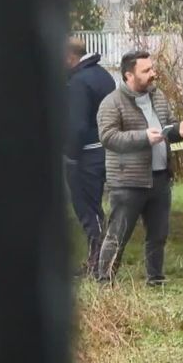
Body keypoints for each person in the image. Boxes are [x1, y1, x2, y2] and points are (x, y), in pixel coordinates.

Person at [94, 50, 183, 285]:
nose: (153, 74)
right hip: (127, 181)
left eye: (153, 69)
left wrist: (178, 130)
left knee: (158, 234)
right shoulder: (112, 102)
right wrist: (142, 137)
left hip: (160, 178)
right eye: (146, 70)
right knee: (117, 235)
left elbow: (167, 127)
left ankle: (155, 279)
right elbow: (108, 137)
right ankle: (105, 281)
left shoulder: (157, 97)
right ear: (129, 75)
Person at [65, 37, 115, 277]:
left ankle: (97, 264)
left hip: (86, 155)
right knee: (97, 208)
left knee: (87, 210)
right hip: (105, 149)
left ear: (68, 57)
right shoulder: (103, 75)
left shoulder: (78, 82)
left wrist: (70, 155)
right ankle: (100, 260)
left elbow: (77, 125)